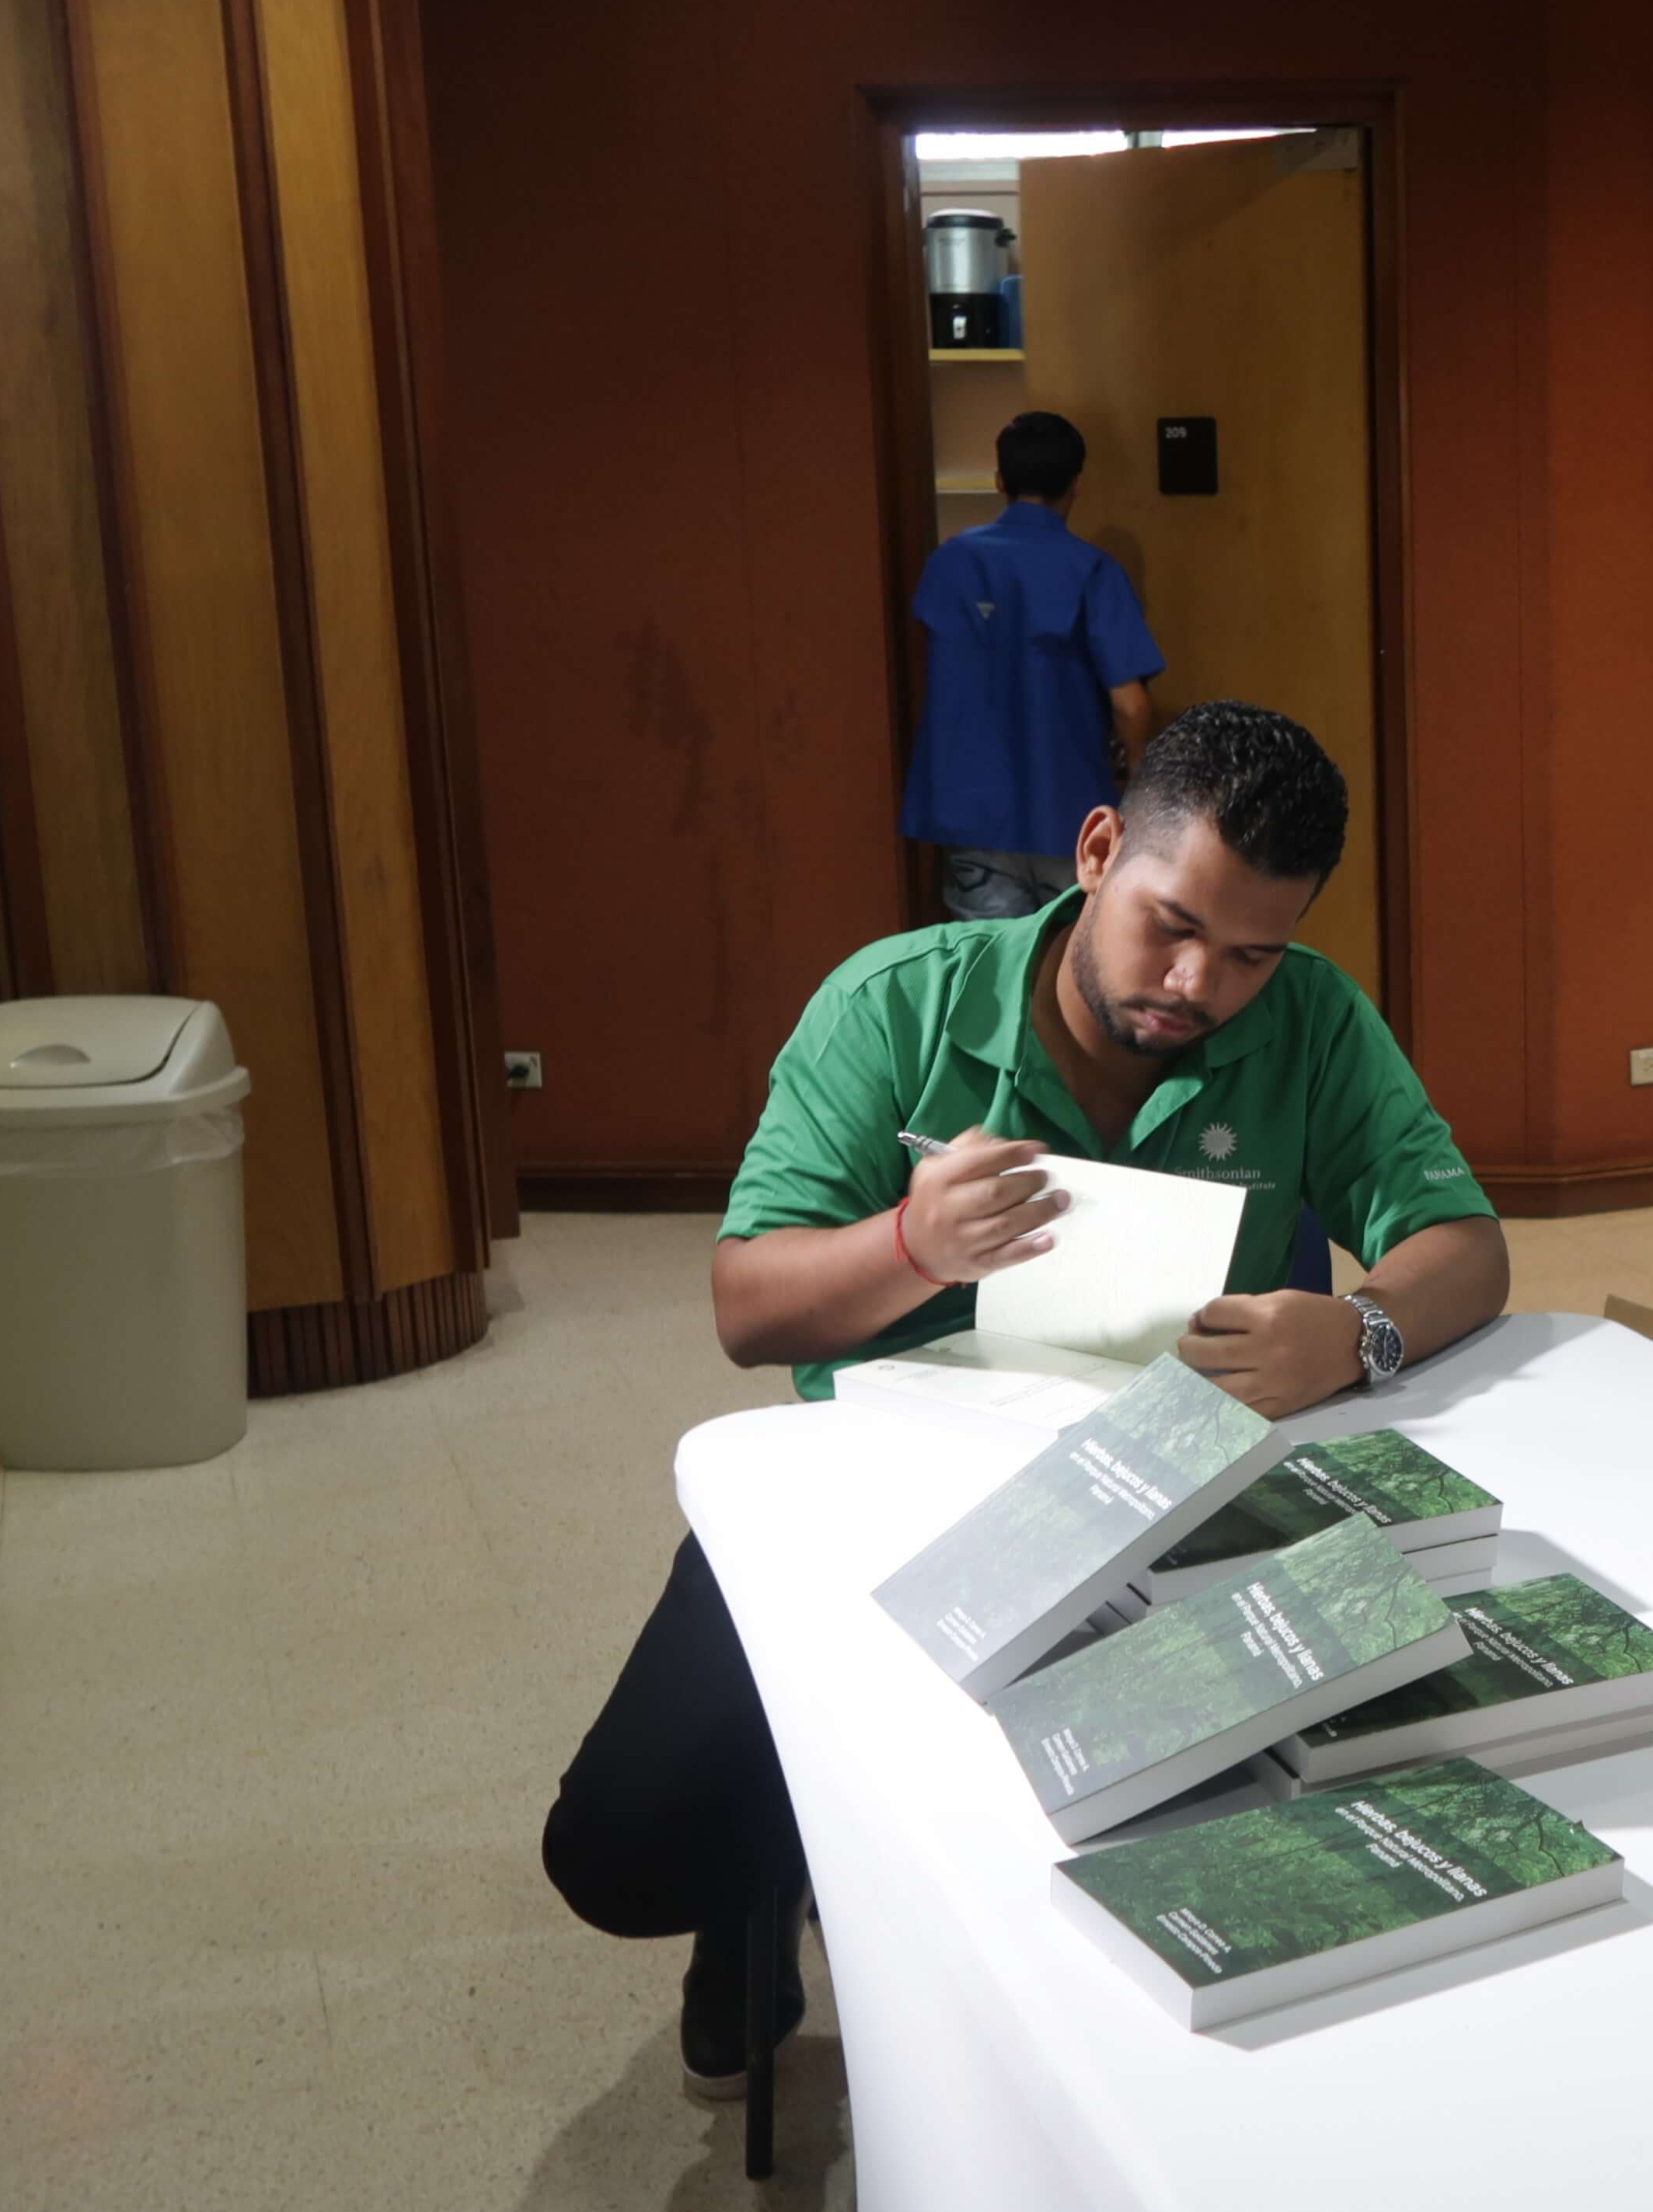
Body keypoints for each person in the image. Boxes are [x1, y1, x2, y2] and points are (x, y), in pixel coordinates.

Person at [541, 700, 1508, 2092]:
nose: (1197, 982)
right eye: (1168, 922)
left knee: (1165, 1856)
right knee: (624, 1853)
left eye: (1250, 952)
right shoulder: (898, 1003)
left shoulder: (1308, 1019)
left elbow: (1464, 1246)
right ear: (1098, 847)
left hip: (1154, 1500)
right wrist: (906, 1246)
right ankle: (773, 1870)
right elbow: (746, 1308)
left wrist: (1359, 1330)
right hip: (879, 1496)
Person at [905, 409, 1166, 921]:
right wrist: (1137, 776)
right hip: (1069, 816)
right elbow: (1132, 705)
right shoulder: (1092, 570)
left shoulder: (949, 564)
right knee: (1070, 976)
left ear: (1000, 480)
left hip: (972, 817)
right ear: (1076, 484)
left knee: (994, 973)